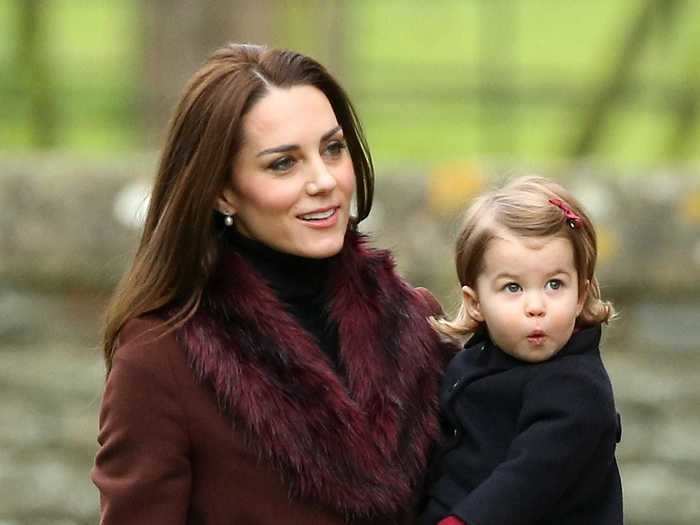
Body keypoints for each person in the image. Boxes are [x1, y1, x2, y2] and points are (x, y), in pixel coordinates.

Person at [91, 43, 452, 525]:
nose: (323, 180)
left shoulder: (417, 324)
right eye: (284, 163)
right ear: (222, 191)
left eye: (333, 148)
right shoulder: (162, 358)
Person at [419, 175, 623, 525]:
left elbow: (526, 481)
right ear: (476, 302)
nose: (536, 305)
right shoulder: (471, 362)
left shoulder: (578, 391)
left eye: (554, 284)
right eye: (513, 287)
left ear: (581, 294)